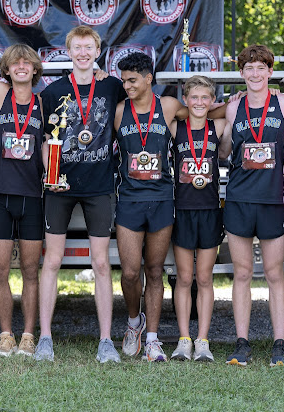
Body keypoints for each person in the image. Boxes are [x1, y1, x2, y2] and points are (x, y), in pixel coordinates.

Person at [114, 53, 223, 362]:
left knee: (155, 271)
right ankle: (135, 322)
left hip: (163, 199)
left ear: (150, 79)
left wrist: (240, 102)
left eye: (132, 80)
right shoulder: (121, 111)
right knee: (130, 272)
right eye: (123, 81)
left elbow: (205, 111)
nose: (127, 86)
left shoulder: (170, 106)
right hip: (130, 200)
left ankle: (152, 338)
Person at [37, 26, 126, 363]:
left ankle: (106, 341)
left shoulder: (112, 86)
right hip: (60, 187)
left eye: (89, 47)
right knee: (53, 261)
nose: (83, 53)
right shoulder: (53, 91)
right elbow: (46, 140)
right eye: (77, 47)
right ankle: (45, 338)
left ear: (98, 50)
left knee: (102, 263)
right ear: (68, 50)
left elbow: (143, 103)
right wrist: (50, 173)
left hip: (100, 185)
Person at [221, 44, 284, 366]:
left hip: (271, 201)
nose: (254, 73)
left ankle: (279, 344)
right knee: (241, 273)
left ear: (270, 72)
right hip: (239, 198)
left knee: (273, 273)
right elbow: (225, 149)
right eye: (248, 68)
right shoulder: (232, 107)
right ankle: (242, 343)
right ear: (241, 73)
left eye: (260, 68)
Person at [0, 45, 45, 357]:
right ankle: (6, 335)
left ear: (35, 69)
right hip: (2, 196)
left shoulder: (43, 104)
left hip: (33, 196)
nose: (21, 66)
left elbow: (49, 147)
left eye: (27, 62)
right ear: (6, 69)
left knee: (31, 271)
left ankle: (29, 336)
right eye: (14, 63)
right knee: (1, 270)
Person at [168, 75, 227, 362]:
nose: (200, 102)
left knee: (204, 278)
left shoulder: (218, 126)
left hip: (209, 210)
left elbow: (234, 107)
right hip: (182, 210)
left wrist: (217, 106)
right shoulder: (175, 127)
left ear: (212, 100)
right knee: (184, 277)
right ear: (186, 99)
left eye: (206, 97)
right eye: (194, 97)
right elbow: (167, 108)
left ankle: (203, 340)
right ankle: (183, 339)